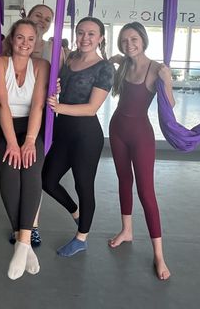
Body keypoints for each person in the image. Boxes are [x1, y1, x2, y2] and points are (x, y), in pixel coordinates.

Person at [107, 22, 175, 281]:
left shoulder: (156, 69)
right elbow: (110, 58)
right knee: (124, 181)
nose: (129, 44)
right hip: (117, 130)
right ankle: (127, 230)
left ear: (143, 39)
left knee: (146, 192)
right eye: (124, 40)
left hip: (141, 135)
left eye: (133, 39)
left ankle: (159, 254)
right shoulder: (122, 63)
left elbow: (171, 103)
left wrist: (167, 82)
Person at [42, 16, 114, 257]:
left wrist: (58, 107)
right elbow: (64, 87)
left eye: (91, 33)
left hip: (86, 136)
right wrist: (59, 90)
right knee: (48, 181)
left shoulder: (104, 68)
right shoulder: (70, 58)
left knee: (84, 186)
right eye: (81, 32)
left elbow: (92, 108)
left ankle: (81, 237)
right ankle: (76, 213)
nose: (85, 37)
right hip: (63, 132)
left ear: (100, 38)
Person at [0, 19, 49, 280]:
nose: (25, 43)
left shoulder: (41, 65)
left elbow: (38, 106)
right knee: (9, 174)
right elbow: (2, 104)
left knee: (31, 173)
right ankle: (22, 241)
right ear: (11, 39)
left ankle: (22, 242)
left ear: (36, 42)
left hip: (31, 128)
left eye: (30, 38)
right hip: (6, 127)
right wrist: (13, 143)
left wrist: (28, 141)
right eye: (20, 37)